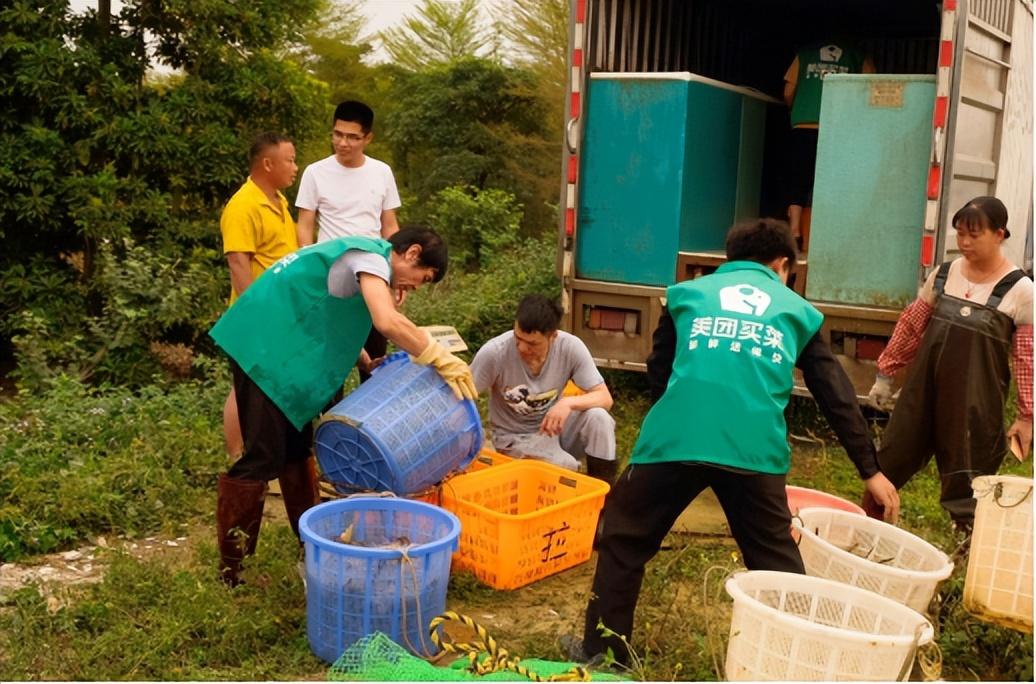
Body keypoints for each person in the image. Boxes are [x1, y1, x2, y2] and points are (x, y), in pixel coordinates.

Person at [565, 218, 900, 666]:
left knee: (623, 539)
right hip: (753, 451)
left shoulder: (687, 296)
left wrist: (684, 414)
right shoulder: (795, 310)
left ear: (730, 259)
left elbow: (659, 367)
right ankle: (801, 662)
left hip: (675, 440)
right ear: (783, 265)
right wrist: (870, 470)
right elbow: (835, 394)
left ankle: (604, 657)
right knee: (777, 565)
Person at [208, 227, 476, 587]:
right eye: (422, 278)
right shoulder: (370, 258)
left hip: (281, 346)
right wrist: (437, 355)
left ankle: (311, 543)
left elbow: (333, 307)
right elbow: (387, 321)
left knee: (295, 449)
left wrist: (365, 360)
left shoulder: (365, 255)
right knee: (263, 456)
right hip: (265, 345)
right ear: (412, 253)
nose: (416, 286)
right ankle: (231, 570)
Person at [865, 196, 1033, 531]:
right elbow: (912, 324)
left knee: (969, 476)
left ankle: (967, 545)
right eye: (960, 234)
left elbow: (1029, 359)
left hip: (974, 404)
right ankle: (865, 526)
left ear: (999, 234)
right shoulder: (945, 273)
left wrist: (1027, 416)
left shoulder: (1021, 291)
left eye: (975, 234)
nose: (965, 243)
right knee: (891, 458)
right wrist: (886, 373)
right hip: (921, 394)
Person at [295, 100, 402, 382]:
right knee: (331, 368)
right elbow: (305, 225)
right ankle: (329, 425)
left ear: (368, 138)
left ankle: (370, 424)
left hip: (373, 276)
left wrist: (396, 276)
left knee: (375, 363)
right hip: (330, 279)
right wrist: (309, 269)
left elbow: (389, 226)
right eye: (337, 134)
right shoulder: (315, 172)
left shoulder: (382, 172)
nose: (343, 143)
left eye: (353, 137)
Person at [470, 295, 618, 483]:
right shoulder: (494, 353)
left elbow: (605, 398)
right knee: (565, 468)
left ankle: (604, 495)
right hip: (516, 437)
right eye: (518, 338)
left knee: (600, 418)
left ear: (553, 337)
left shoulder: (570, 347)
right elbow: (462, 397)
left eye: (532, 344)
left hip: (553, 428)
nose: (522, 348)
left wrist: (568, 403)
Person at [218, 132, 300, 461]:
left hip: (279, 315)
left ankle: (265, 456)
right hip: (255, 316)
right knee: (246, 390)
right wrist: (259, 317)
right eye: (290, 160)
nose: (295, 168)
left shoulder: (279, 202)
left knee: (264, 388)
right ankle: (239, 460)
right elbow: (239, 266)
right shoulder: (243, 205)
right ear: (268, 164)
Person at [783, 40, 874, 246]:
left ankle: (795, 228)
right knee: (827, 181)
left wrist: (795, 109)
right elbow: (870, 90)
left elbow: (788, 91)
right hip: (839, 128)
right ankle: (820, 234)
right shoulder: (859, 55)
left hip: (803, 125)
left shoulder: (804, 53)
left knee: (798, 177)